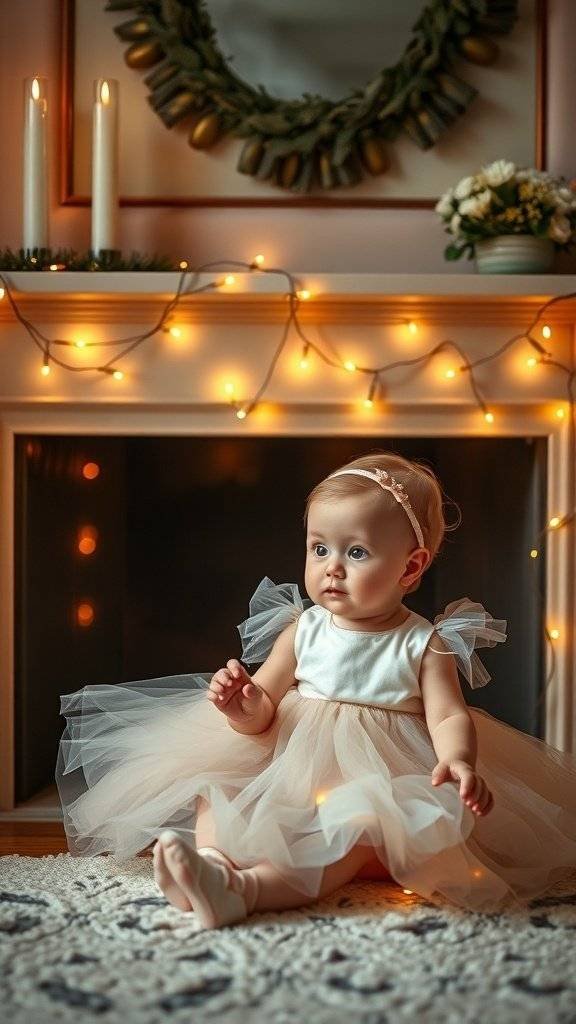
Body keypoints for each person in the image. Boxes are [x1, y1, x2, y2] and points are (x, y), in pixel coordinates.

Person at [56, 451, 576, 930]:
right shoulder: (301, 628)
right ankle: (212, 864)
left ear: (411, 566)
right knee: (217, 788)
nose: (332, 567)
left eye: (356, 551)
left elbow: (447, 716)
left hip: (379, 773)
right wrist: (242, 705)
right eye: (319, 548)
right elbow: (263, 705)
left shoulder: (424, 642)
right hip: (288, 762)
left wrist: (459, 761)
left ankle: (246, 890)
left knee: (355, 830)